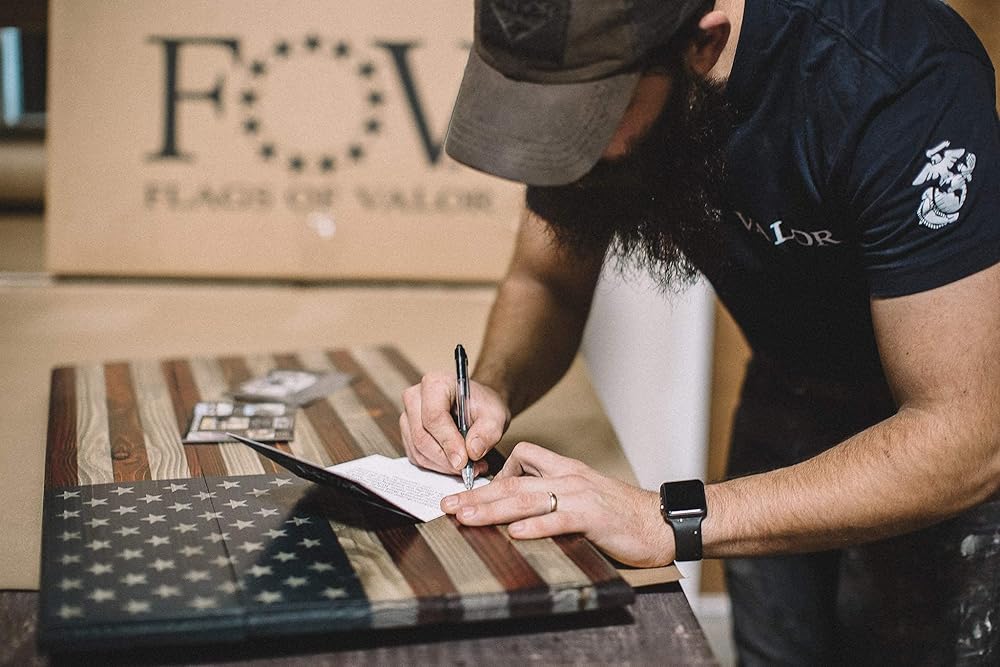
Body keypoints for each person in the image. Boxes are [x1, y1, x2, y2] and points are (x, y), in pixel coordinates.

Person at [398, 0, 1000, 662]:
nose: (573, 153)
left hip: (946, 430)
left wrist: (664, 517)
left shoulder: (898, 80)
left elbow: (964, 435)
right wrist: (492, 385)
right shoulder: (596, 67)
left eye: (588, 118)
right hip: (789, 385)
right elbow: (549, 282)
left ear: (702, 45)